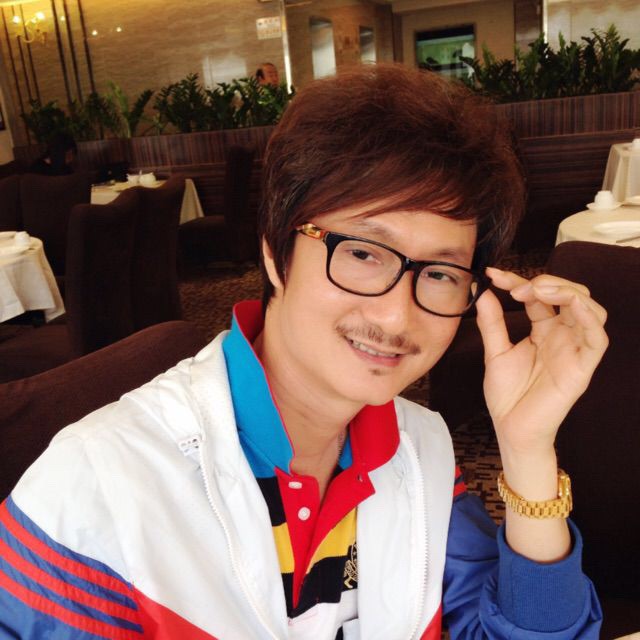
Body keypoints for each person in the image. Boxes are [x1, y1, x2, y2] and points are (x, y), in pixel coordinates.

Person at [0, 65, 605, 638]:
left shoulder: (418, 450)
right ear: (275, 252)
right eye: (362, 253)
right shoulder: (92, 493)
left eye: (441, 273)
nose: (397, 316)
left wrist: (527, 449)